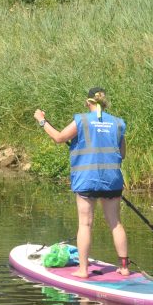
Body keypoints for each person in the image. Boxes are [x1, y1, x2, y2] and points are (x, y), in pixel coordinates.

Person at [34, 87, 129, 278]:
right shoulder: (118, 123)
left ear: (88, 103)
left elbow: (59, 138)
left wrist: (41, 120)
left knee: (85, 224)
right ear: (104, 102)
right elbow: (123, 154)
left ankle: (83, 270)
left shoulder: (82, 120)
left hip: (87, 179)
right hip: (112, 181)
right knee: (115, 223)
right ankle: (124, 267)